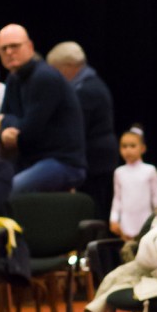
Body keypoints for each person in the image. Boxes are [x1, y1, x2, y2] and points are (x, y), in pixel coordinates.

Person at [0, 24, 87, 194]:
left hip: (63, 162)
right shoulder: (13, 79)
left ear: (29, 46)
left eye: (15, 46)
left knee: (5, 192)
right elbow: (3, 119)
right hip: (30, 160)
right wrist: (3, 133)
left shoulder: (44, 77)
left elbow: (28, 133)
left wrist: (9, 124)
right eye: (4, 48)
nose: (9, 52)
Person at [46, 41, 118, 219]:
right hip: (97, 158)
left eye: (55, 69)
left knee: (94, 210)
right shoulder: (88, 83)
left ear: (69, 66)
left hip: (96, 162)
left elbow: (75, 129)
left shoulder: (85, 90)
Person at [109, 125, 157, 241]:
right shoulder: (119, 172)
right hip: (126, 222)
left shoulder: (150, 170)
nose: (128, 150)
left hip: (145, 219)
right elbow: (117, 198)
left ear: (142, 148)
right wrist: (113, 219)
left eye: (132, 146)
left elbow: (156, 196)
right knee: (128, 248)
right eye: (124, 146)